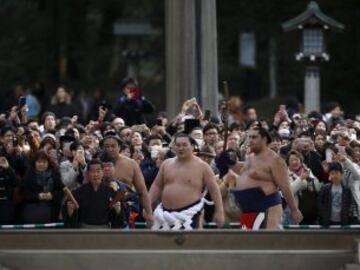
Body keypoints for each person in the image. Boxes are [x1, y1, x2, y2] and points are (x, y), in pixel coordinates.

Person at [229, 127, 303, 229]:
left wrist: (294, 210)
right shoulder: (251, 157)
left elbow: (285, 187)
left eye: (254, 137)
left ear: (264, 140)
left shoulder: (275, 160)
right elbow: (242, 170)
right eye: (249, 137)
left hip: (268, 206)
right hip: (248, 208)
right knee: (248, 243)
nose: (250, 140)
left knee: (266, 241)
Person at [149, 133, 224, 230]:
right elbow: (157, 186)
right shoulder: (166, 164)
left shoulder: (203, 167)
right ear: (173, 147)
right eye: (178, 145)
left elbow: (214, 190)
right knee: (163, 244)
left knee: (190, 244)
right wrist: (147, 205)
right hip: (164, 214)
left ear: (192, 147)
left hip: (190, 214)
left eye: (184, 145)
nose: (181, 148)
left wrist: (219, 211)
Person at [100, 135, 153, 224]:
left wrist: (149, 213)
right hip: (101, 210)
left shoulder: (131, 164)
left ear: (119, 147)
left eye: (113, 146)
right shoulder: (94, 165)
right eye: (106, 147)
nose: (110, 149)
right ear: (101, 148)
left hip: (126, 210)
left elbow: (142, 191)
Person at [64, 159, 125, 228]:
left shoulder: (111, 191)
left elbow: (119, 218)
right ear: (88, 173)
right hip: (83, 229)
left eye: (98, 171)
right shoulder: (79, 191)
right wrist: (70, 212)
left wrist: (118, 210)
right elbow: (69, 216)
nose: (95, 174)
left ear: (102, 172)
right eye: (92, 171)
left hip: (104, 229)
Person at [318, 162, 353, 227]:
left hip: (343, 221)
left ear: (342, 174)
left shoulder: (346, 190)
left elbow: (349, 204)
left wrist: (347, 215)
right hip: (328, 221)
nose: (334, 176)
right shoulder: (325, 188)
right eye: (332, 173)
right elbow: (320, 203)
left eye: (336, 173)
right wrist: (323, 215)